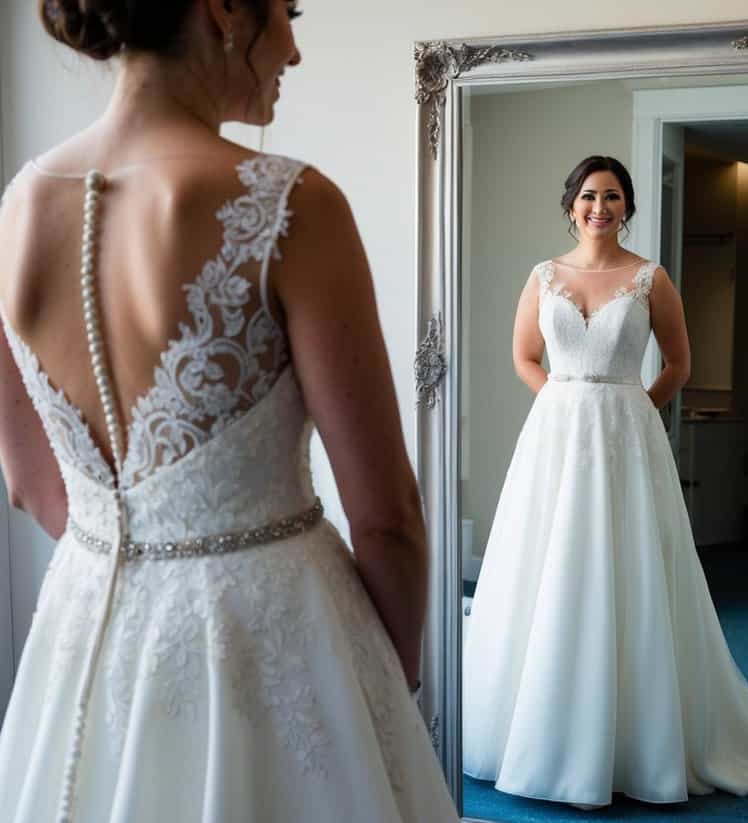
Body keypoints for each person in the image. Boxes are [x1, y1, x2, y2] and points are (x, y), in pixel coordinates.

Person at [0, 1, 457, 820]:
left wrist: (137, 553)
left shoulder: (17, 208)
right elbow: (388, 517)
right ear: (222, 11)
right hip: (272, 636)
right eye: (287, 12)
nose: (294, 47)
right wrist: (391, 682)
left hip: (84, 641)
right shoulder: (294, 206)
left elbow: (34, 487)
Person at [461, 155, 748, 808]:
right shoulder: (544, 276)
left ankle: (633, 736)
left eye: (612, 196)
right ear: (571, 204)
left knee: (625, 564)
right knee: (548, 562)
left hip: (624, 433)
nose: (600, 207)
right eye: (589, 195)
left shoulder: (650, 278)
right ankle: (538, 728)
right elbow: (525, 356)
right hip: (555, 436)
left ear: (627, 206)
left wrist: (638, 405)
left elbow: (681, 361)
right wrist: (560, 398)